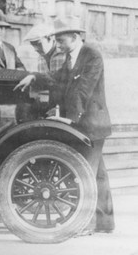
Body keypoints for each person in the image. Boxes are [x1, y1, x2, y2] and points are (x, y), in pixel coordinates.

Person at [14, 16, 114, 235]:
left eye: (61, 41)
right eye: (56, 41)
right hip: (86, 122)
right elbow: (56, 77)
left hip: (91, 123)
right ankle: (105, 223)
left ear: (76, 37)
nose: (57, 45)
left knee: (86, 172)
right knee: (98, 175)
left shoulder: (91, 55)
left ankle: (86, 225)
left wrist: (72, 119)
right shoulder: (71, 57)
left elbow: (84, 89)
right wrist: (33, 77)